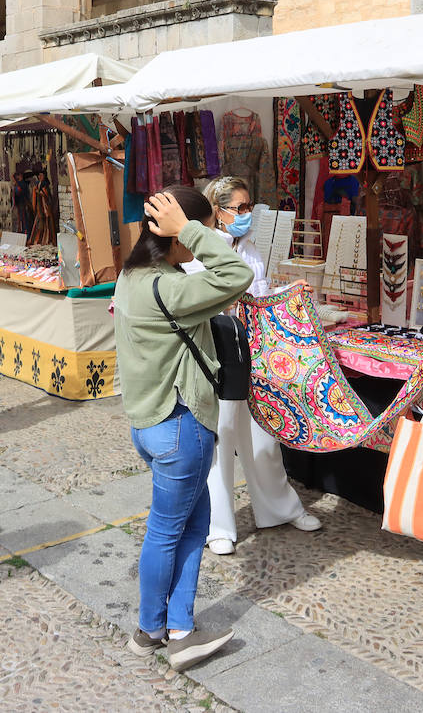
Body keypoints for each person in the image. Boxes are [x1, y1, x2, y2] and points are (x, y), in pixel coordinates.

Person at [113, 187, 253, 673]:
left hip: (149, 424)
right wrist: (189, 227)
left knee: (192, 524)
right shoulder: (170, 288)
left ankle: (179, 629)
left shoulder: (132, 277)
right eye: (202, 229)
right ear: (175, 233)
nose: (207, 238)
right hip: (180, 425)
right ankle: (152, 630)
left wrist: (184, 228)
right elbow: (239, 274)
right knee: (167, 531)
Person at [198, 176, 320, 555]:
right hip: (221, 354)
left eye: (249, 206)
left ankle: (279, 508)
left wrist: (290, 292)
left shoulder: (251, 249)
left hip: (256, 354)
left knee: (265, 438)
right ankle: (219, 526)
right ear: (219, 213)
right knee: (222, 439)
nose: (246, 214)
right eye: (239, 208)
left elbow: (260, 297)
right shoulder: (203, 251)